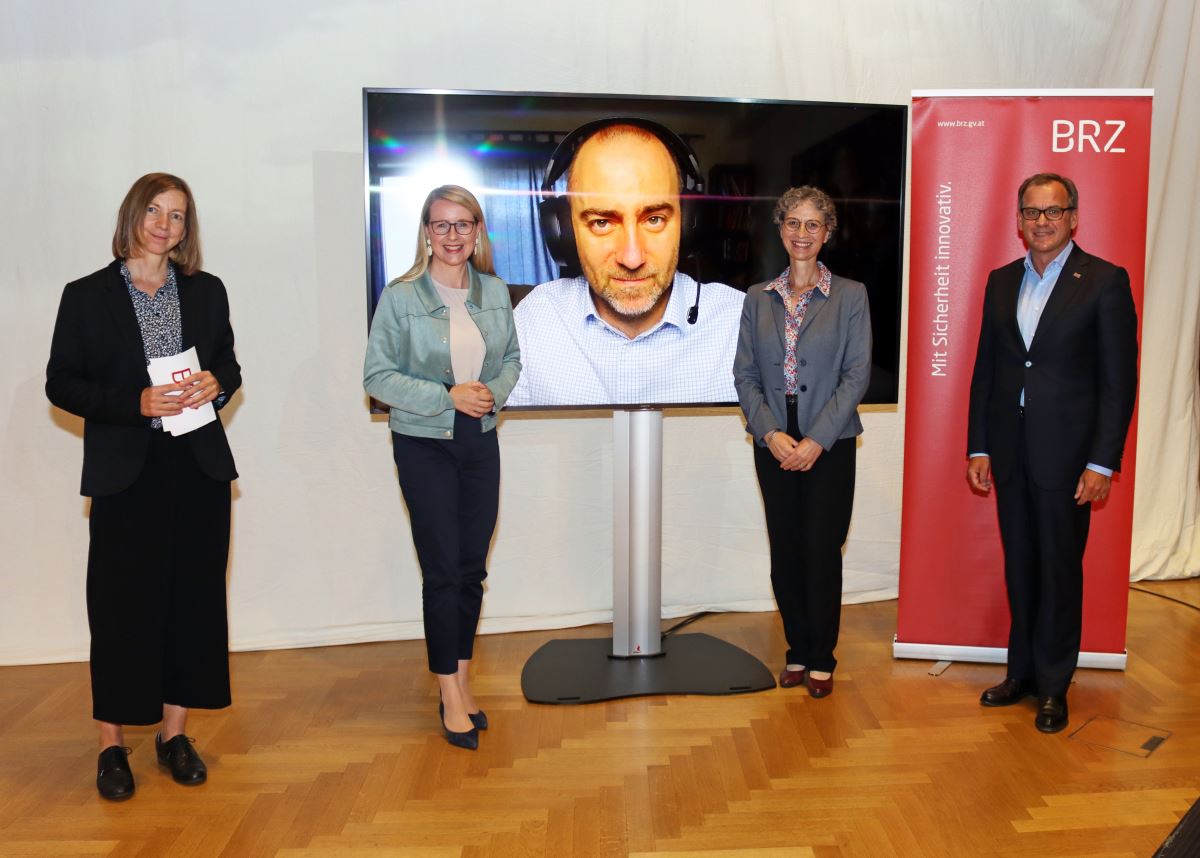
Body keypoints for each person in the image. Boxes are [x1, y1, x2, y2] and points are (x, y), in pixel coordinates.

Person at [46, 173, 241, 801]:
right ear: (133, 216)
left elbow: (229, 366)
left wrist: (217, 384)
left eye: (178, 215)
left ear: (187, 229)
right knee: (121, 607)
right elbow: (62, 384)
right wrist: (136, 401)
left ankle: (174, 735)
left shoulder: (207, 292)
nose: (165, 224)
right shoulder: (86, 296)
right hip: (127, 472)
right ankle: (112, 745)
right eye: (155, 211)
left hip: (199, 469)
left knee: (193, 604)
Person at [967, 173, 1138, 733]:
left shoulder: (1105, 282)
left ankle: (1055, 685)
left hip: (1069, 459)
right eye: (1031, 212)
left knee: (1061, 571)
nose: (1041, 222)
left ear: (1073, 218)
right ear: (1018, 220)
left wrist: (1101, 461)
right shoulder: (999, 281)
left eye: (1052, 211)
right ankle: (1021, 674)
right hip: (1011, 454)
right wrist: (980, 445)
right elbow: (987, 371)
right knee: (1022, 568)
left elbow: (1119, 382)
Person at [363, 185, 521, 751]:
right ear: (426, 232)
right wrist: (446, 396)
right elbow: (376, 378)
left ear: (477, 232)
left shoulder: (496, 291)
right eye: (441, 225)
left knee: (472, 567)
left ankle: (462, 677)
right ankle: (448, 692)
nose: (452, 235)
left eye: (463, 224)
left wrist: (490, 395)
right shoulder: (401, 297)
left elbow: (511, 362)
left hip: (480, 439)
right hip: (423, 443)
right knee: (442, 572)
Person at [733, 186, 871, 699]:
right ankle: (795, 650)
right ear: (781, 228)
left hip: (829, 440)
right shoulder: (757, 297)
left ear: (828, 233)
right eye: (794, 222)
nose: (802, 233)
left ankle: (822, 657)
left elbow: (856, 376)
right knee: (785, 551)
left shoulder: (851, 296)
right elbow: (744, 374)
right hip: (773, 437)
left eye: (814, 224)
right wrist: (770, 433)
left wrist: (815, 439)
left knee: (820, 549)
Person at [508, 118, 744, 406]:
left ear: (688, 222)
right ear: (564, 230)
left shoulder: (741, 323)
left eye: (654, 219)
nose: (632, 258)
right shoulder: (535, 319)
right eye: (602, 222)